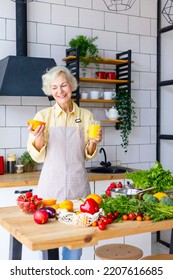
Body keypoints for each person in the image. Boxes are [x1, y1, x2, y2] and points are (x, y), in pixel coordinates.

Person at [27, 65, 102, 260]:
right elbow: (37, 155)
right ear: (50, 91)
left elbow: (88, 154)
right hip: (51, 190)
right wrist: (38, 138)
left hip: (78, 191)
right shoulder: (43, 117)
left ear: (71, 86)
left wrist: (93, 143)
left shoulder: (86, 116)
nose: (60, 91)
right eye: (54, 87)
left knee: (75, 246)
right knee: (49, 245)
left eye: (63, 85)